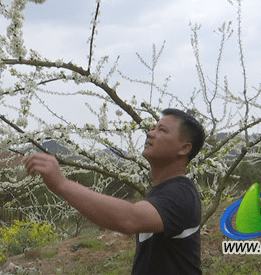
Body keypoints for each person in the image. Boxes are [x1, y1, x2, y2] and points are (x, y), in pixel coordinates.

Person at [24, 108, 205, 275]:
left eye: (162, 130)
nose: (150, 133)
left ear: (184, 148)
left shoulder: (182, 193)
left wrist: (62, 184)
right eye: (153, 128)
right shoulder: (162, 193)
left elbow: (130, 219)